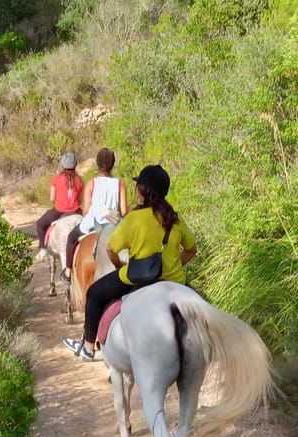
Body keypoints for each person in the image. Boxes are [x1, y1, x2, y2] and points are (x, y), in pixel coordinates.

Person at [63, 164, 197, 361]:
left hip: (138, 277)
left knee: (94, 293)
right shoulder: (174, 218)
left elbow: (111, 249)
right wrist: (174, 266)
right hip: (175, 280)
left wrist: (119, 266)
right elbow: (191, 250)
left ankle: (89, 347)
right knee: (203, 306)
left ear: (142, 192)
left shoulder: (133, 219)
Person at [61, 148, 127, 283]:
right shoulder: (119, 184)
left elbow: (85, 210)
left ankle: (68, 272)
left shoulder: (92, 183)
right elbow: (124, 211)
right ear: (113, 164)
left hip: (92, 223)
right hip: (112, 226)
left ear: (97, 163)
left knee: (71, 238)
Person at [35, 153, 84, 261]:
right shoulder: (79, 180)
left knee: (40, 224)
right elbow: (80, 201)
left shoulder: (56, 179)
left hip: (59, 211)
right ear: (75, 165)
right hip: (76, 212)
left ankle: (43, 249)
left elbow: (52, 199)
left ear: (62, 165)